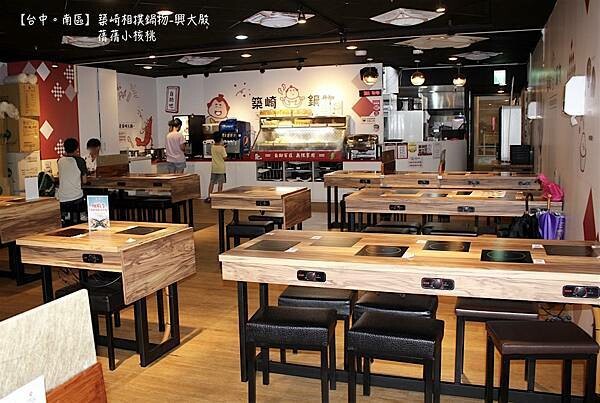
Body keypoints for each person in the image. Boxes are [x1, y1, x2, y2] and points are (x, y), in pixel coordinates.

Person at [56, 138, 88, 225]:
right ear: (77, 148)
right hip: (76, 197)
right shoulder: (80, 161)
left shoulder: (59, 161)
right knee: (81, 221)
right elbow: (84, 180)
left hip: (62, 198)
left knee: (66, 221)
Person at [205, 131, 227, 203]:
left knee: (212, 183)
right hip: (221, 169)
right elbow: (225, 158)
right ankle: (219, 198)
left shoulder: (212, 147)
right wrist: (224, 148)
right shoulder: (222, 148)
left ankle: (209, 197)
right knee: (220, 184)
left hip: (214, 168)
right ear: (221, 139)